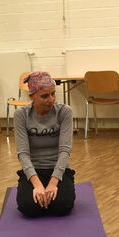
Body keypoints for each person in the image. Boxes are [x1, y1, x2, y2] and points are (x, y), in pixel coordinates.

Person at [13, 71, 75, 217]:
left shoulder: (64, 112)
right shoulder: (21, 115)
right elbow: (23, 153)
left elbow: (65, 151)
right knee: (28, 208)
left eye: (53, 94)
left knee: (62, 206)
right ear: (31, 96)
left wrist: (53, 183)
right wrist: (37, 185)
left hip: (58, 169)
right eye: (45, 96)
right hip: (34, 170)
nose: (51, 99)